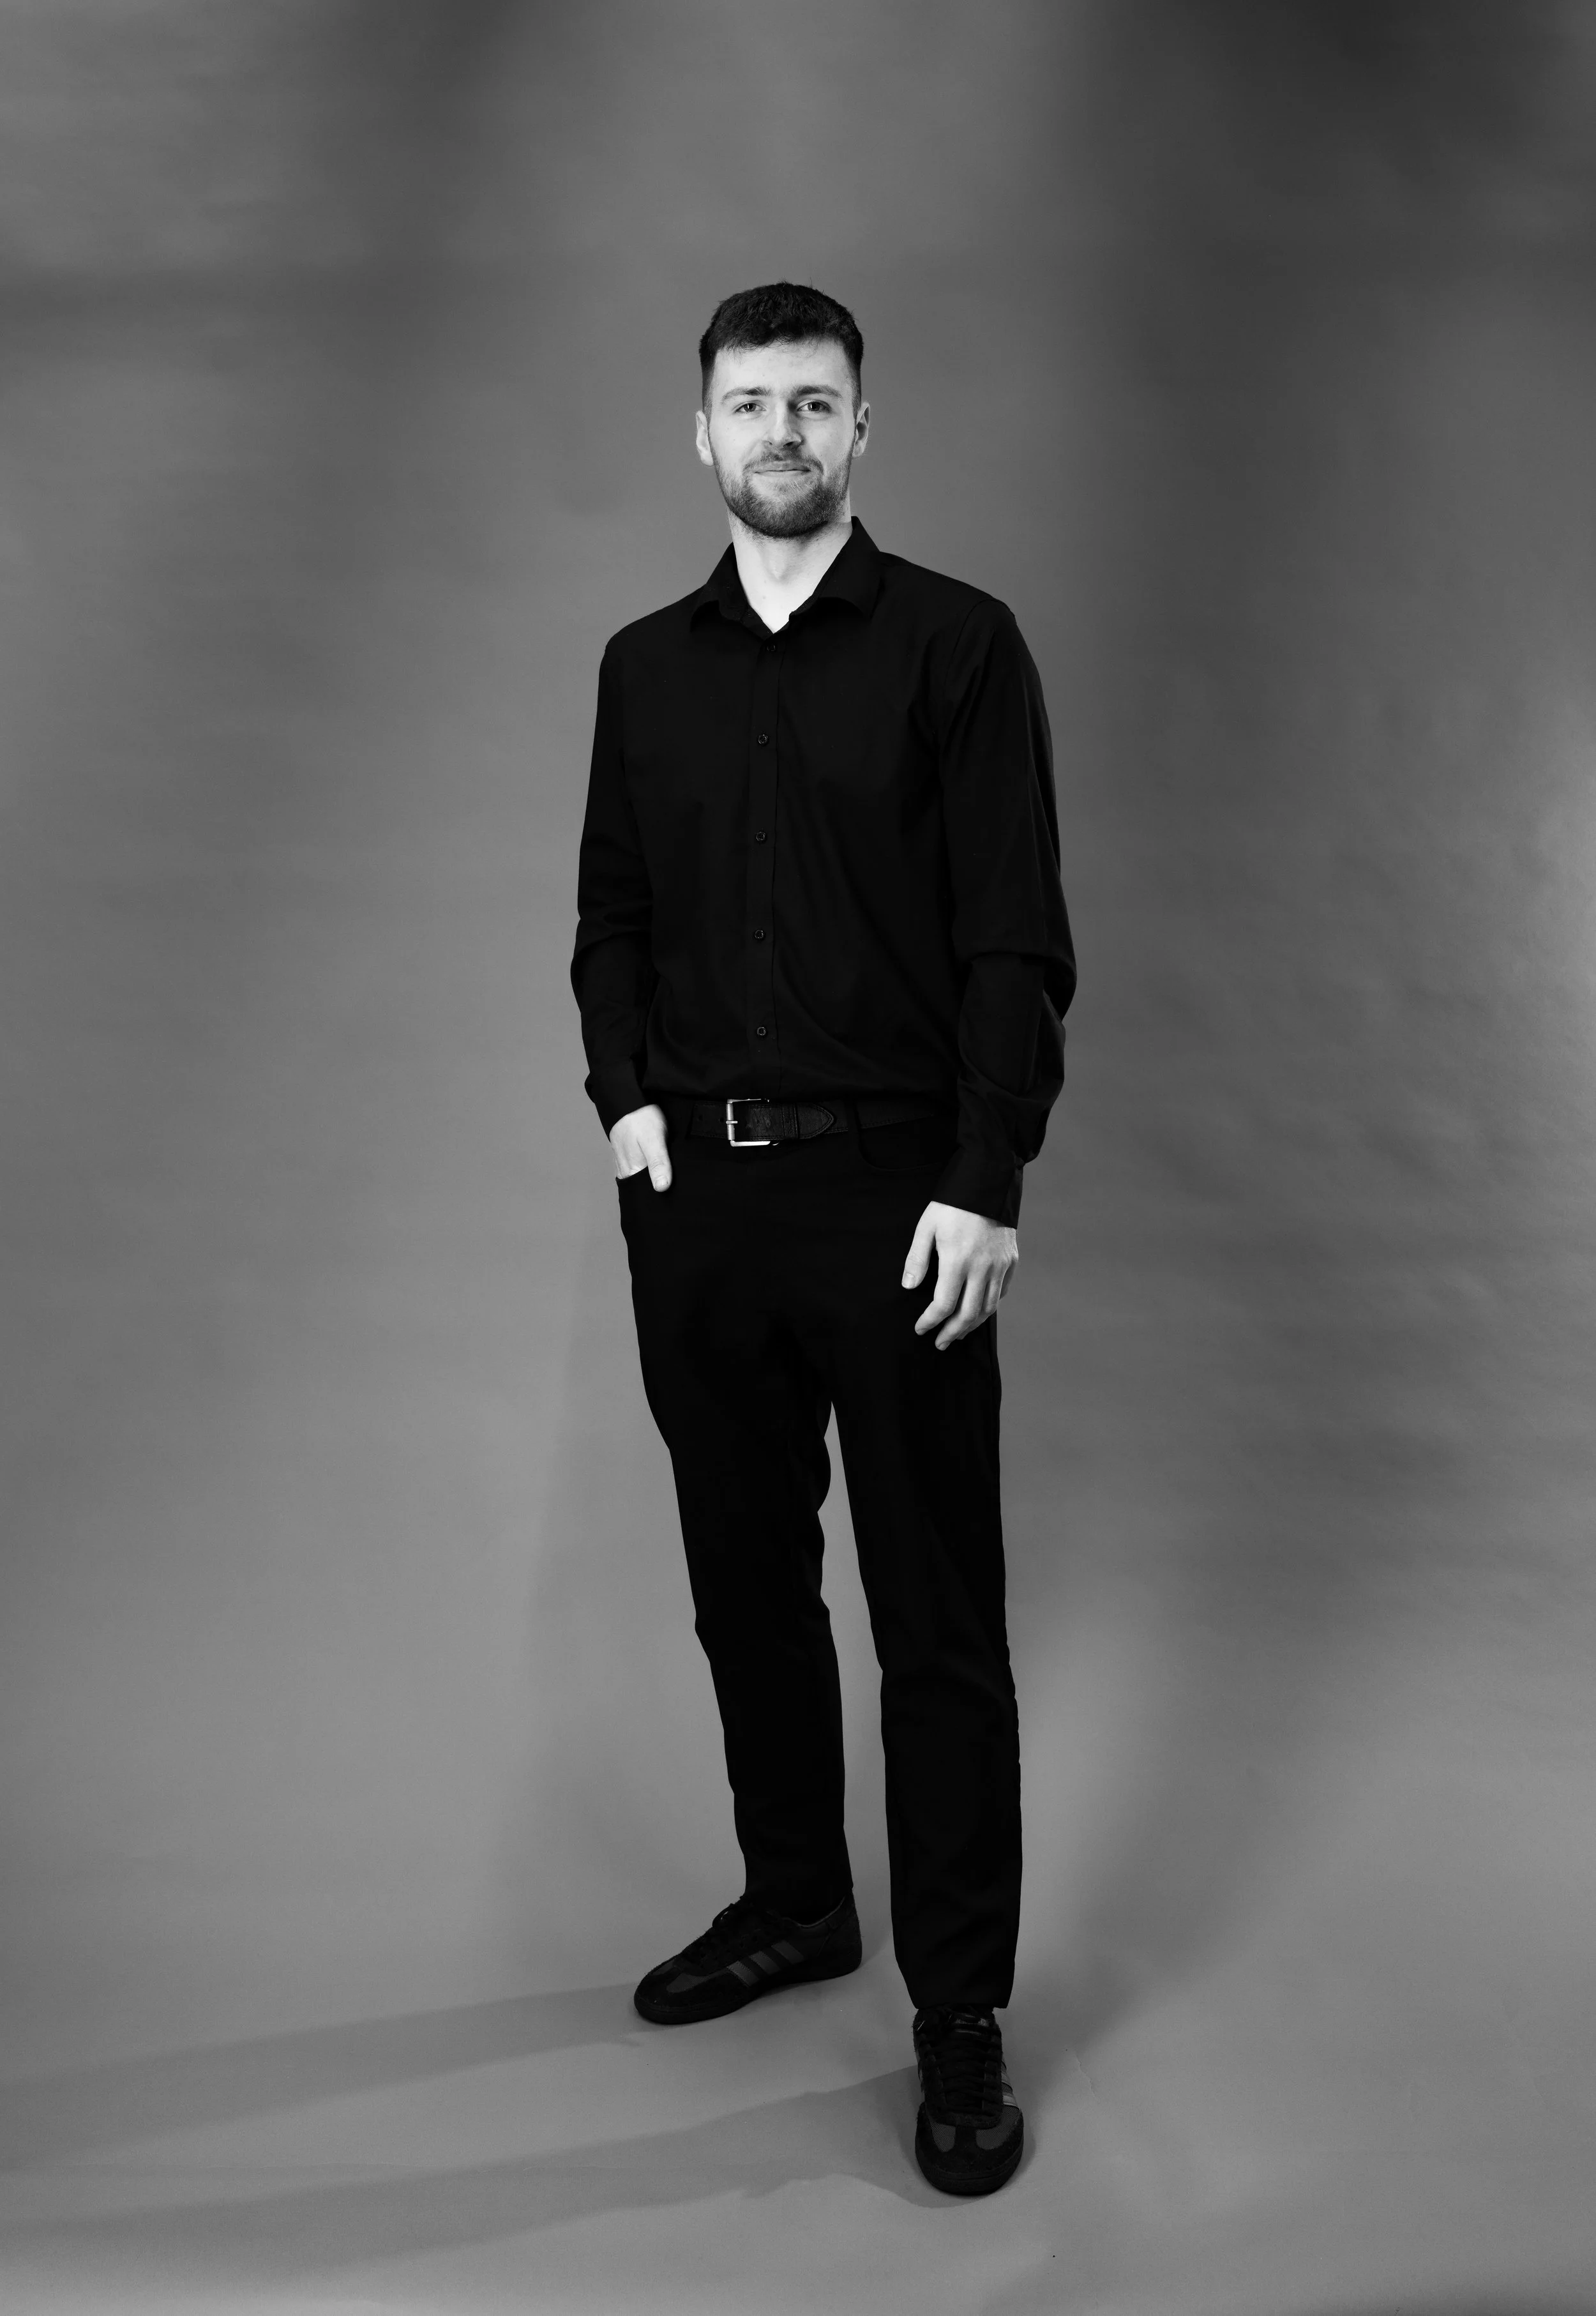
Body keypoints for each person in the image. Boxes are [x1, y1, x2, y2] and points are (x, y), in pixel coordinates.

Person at [570, 281, 1074, 2197]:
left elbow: (1013, 939)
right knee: (743, 1583)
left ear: (864, 432)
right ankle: (796, 1901)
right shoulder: (641, 666)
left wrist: (983, 1180)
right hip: (695, 1200)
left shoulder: (958, 648)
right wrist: (624, 1106)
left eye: (814, 403)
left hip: (900, 1199)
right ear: (696, 436)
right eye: (747, 402)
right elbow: (610, 908)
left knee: (937, 1622)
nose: (779, 431)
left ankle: (959, 2020)